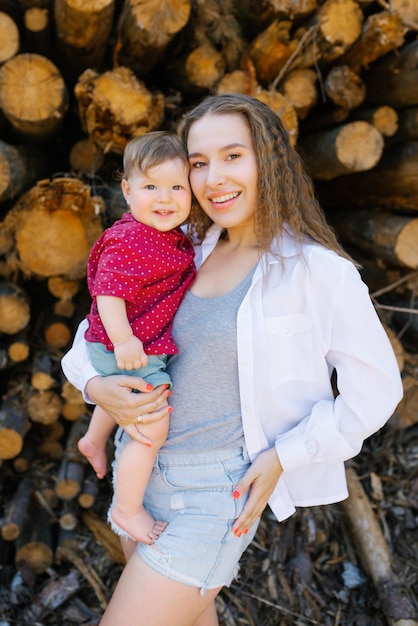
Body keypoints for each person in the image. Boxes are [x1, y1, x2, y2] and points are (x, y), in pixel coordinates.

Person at [62, 93, 403, 626]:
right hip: (142, 475)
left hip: (214, 496)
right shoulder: (180, 249)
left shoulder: (318, 273)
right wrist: (94, 387)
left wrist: (285, 455)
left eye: (232, 155)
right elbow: (93, 333)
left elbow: (377, 391)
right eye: (198, 163)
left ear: (267, 158)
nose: (214, 177)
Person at [75, 131, 196, 545]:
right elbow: (108, 293)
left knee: (122, 394)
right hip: (124, 344)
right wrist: (125, 340)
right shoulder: (132, 239)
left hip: (127, 344)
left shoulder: (164, 236)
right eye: (151, 187)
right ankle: (127, 509)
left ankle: (94, 439)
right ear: (127, 191)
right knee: (153, 424)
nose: (165, 198)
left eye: (177, 187)